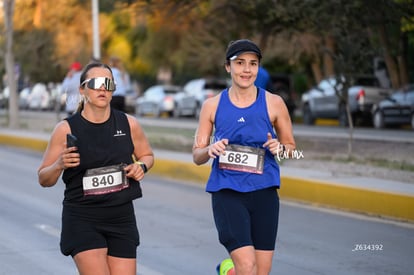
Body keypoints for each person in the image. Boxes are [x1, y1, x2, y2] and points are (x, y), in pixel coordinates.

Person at [37, 62, 154, 275]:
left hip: (121, 217)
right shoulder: (65, 129)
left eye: (108, 83)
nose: (103, 88)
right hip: (83, 218)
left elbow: (147, 155)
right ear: (82, 89)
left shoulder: (129, 124)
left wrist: (141, 166)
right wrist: (59, 164)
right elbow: (43, 178)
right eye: (97, 83)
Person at [193, 39, 296, 275]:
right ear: (228, 67)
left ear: (258, 68)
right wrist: (209, 150)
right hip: (227, 192)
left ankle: (229, 272)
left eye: (252, 63)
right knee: (247, 266)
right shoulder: (212, 105)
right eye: (239, 63)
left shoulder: (274, 103)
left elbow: (292, 148)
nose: (246, 70)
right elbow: (196, 155)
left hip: (265, 192)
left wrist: (280, 149)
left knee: (261, 270)